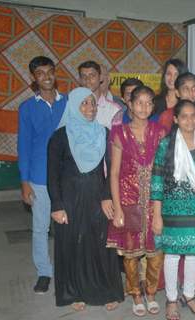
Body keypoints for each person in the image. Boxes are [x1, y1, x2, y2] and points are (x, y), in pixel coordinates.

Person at [47, 87, 124, 311]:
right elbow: (52, 174)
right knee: (73, 244)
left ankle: (107, 290)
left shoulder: (104, 133)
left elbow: (110, 169)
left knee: (101, 243)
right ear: (73, 106)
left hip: (97, 196)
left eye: (92, 103)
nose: (90, 109)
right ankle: (74, 292)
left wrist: (107, 196)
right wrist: (57, 205)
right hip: (69, 199)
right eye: (84, 103)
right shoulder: (60, 136)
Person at [151, 99, 195, 320]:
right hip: (172, 212)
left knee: (192, 255)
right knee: (171, 256)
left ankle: (189, 296)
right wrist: (157, 215)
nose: (190, 120)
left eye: (193, 115)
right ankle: (171, 299)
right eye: (185, 116)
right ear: (176, 119)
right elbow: (157, 182)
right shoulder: (166, 144)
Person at [105, 85, 167, 317]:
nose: (144, 107)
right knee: (130, 255)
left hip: (155, 202)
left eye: (148, 102)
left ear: (153, 106)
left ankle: (151, 294)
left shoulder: (160, 132)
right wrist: (118, 207)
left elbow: (164, 170)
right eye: (138, 102)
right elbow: (114, 173)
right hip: (129, 201)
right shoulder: (119, 133)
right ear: (129, 104)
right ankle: (136, 295)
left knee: (156, 253)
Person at [17, 56, 67, 294]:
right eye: (40, 73)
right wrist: (24, 181)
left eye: (50, 72)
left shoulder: (68, 102)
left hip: (66, 177)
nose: (46, 77)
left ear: (55, 73)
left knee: (68, 226)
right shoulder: (27, 108)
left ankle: (69, 270)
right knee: (40, 228)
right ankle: (44, 273)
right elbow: (24, 145)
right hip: (38, 177)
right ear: (33, 78)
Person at [78, 60, 120, 129]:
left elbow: (117, 138)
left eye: (92, 75)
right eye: (84, 76)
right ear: (79, 80)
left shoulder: (114, 110)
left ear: (100, 78)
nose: (88, 79)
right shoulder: (71, 107)